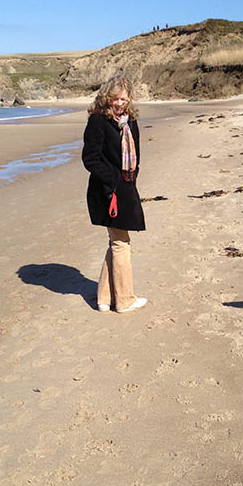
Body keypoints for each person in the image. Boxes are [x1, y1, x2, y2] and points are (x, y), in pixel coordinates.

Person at [81, 76, 147, 313]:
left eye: (123, 99)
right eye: (116, 98)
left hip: (126, 188)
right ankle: (125, 300)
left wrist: (130, 180)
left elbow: (136, 154)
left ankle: (104, 298)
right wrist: (113, 181)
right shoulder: (97, 121)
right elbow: (90, 159)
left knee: (116, 241)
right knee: (121, 242)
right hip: (106, 192)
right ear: (107, 97)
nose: (119, 103)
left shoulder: (131, 121)